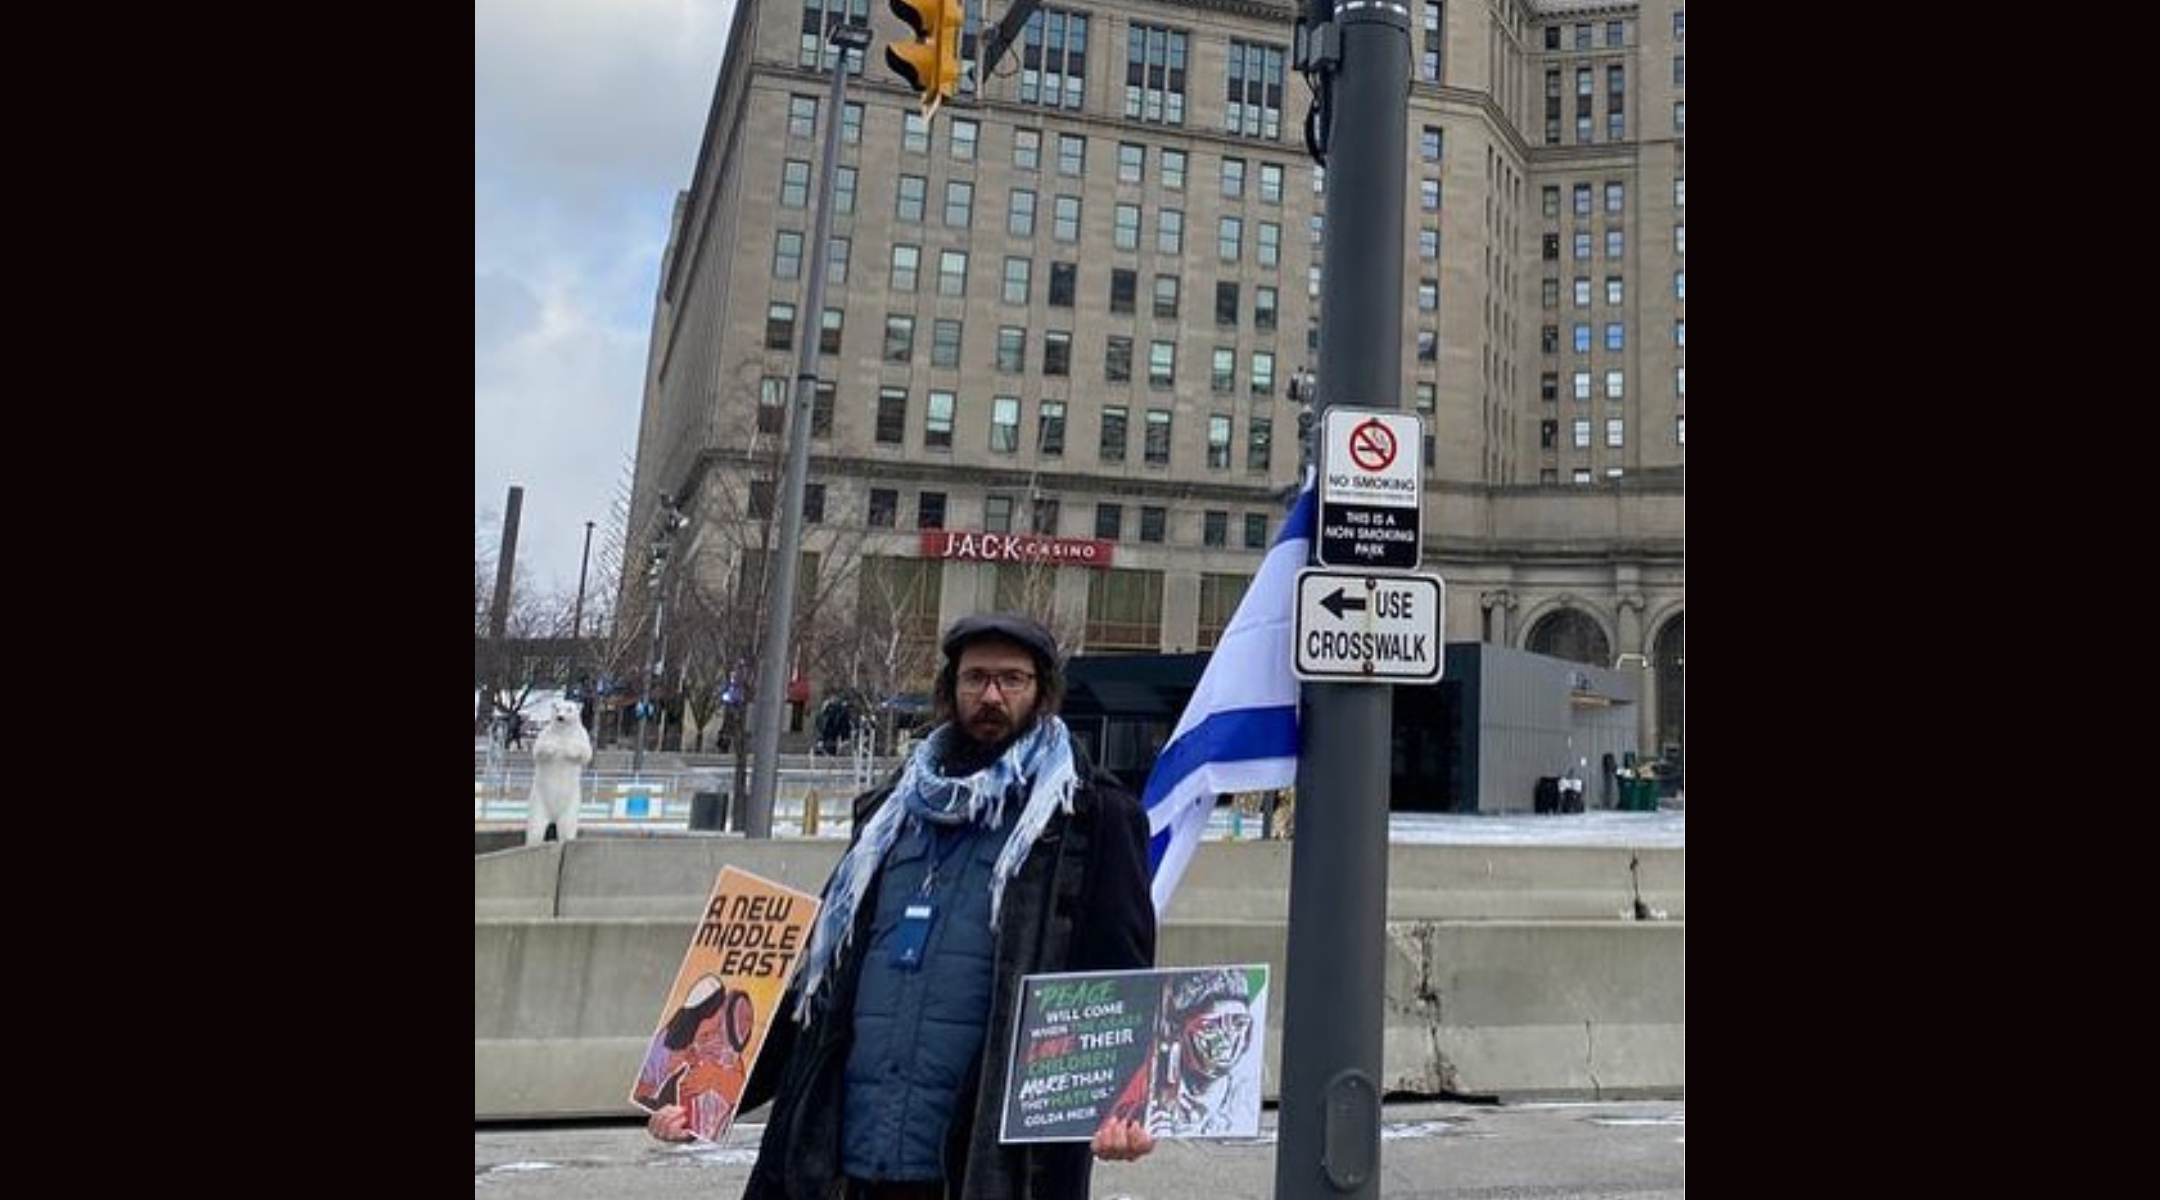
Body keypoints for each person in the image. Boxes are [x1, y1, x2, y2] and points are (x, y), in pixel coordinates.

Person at [646, 612, 1159, 1197]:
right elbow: (814, 991)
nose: (991, 695)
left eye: (1012, 680)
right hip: (848, 1160)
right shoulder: (888, 815)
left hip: (985, 1170)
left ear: (1042, 693)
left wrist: (1126, 1107)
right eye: (976, 679)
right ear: (951, 689)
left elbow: (1120, 979)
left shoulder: (1088, 818)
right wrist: (702, 1096)